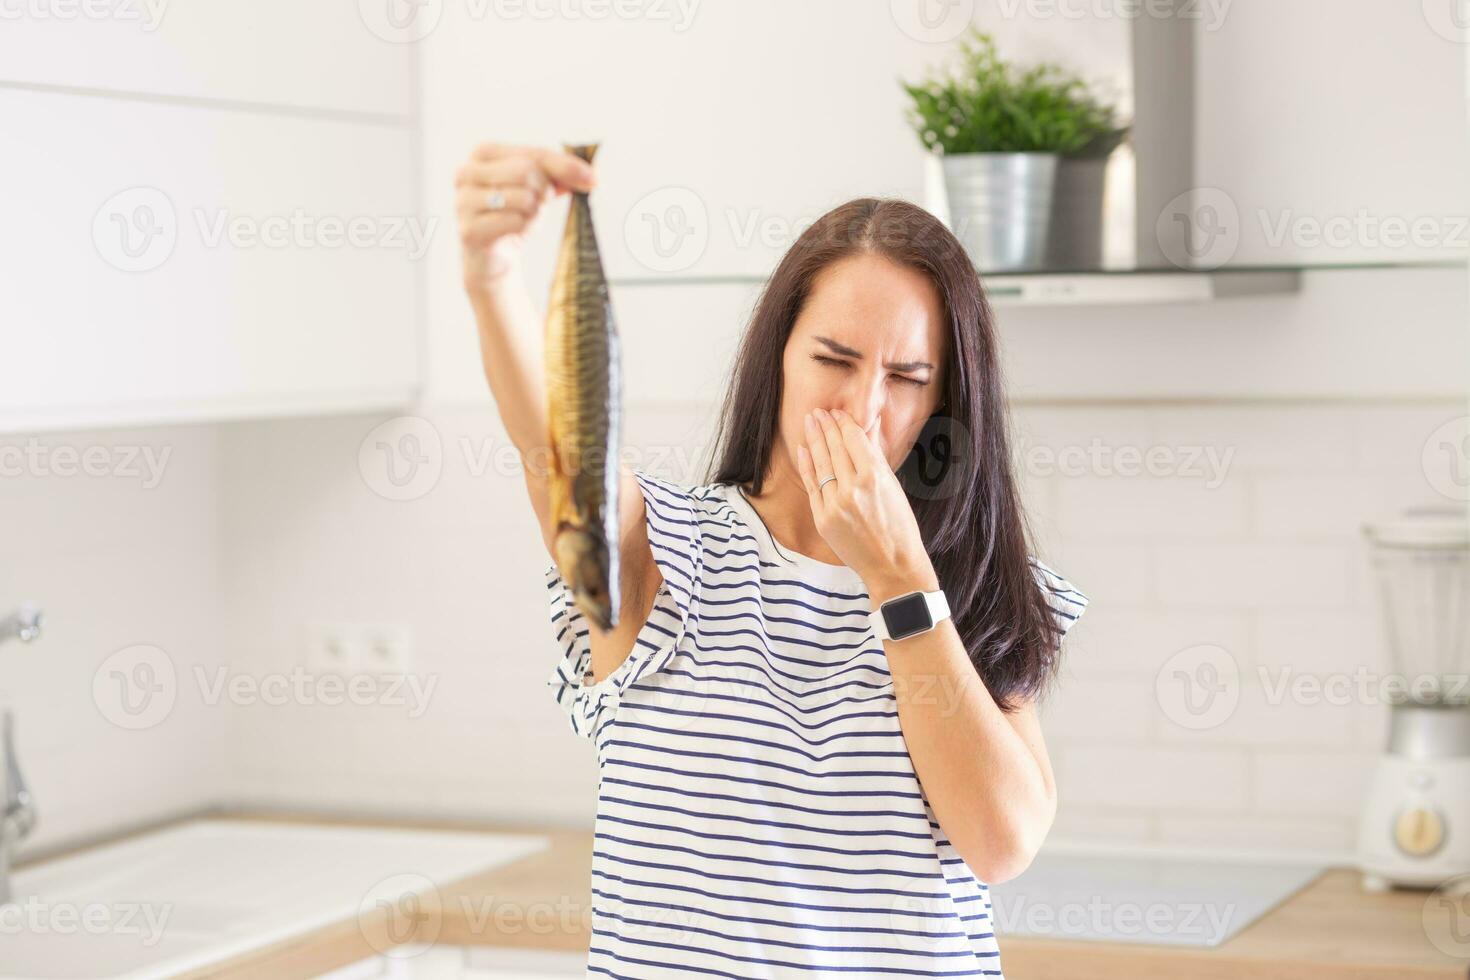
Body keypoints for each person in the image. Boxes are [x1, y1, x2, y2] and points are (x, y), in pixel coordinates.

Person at [455, 142, 1088, 979]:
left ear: (944, 403)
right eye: (834, 359)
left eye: (906, 376)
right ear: (779, 357)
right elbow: (557, 450)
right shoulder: (667, 555)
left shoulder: (968, 593)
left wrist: (900, 580)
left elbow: (1001, 842)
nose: (863, 407)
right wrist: (491, 278)